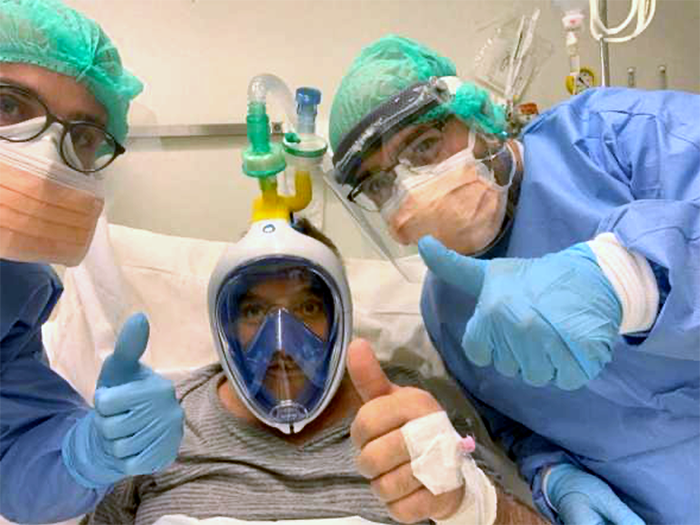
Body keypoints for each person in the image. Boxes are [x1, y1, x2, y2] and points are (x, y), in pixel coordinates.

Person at [327, 35, 700, 525]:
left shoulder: (616, 136)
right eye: (378, 184)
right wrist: (555, 478)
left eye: (424, 146)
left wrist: (627, 279)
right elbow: (516, 430)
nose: (409, 188)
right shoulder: (446, 310)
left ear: (477, 115)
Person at [82, 217, 547, 525]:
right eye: (254, 311)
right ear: (223, 321)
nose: (280, 342)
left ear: (340, 315)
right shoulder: (166, 417)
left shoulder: (405, 410)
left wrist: (469, 503)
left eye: (306, 307)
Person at [0, 1, 184, 523]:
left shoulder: (16, 292)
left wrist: (91, 453)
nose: (42, 160)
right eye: (9, 106)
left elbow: (11, 457)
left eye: (81, 137)